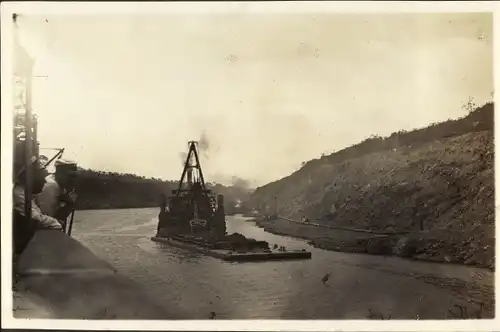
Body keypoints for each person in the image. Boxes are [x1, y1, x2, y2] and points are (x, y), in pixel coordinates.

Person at [13, 143, 63, 255]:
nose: (44, 182)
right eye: (40, 177)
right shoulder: (19, 195)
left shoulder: (25, 194)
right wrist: (56, 222)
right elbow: (37, 219)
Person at [36, 159, 78, 230]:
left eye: (74, 176)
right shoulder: (50, 185)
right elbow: (45, 218)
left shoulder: (60, 186)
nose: (73, 180)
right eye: (70, 176)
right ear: (59, 173)